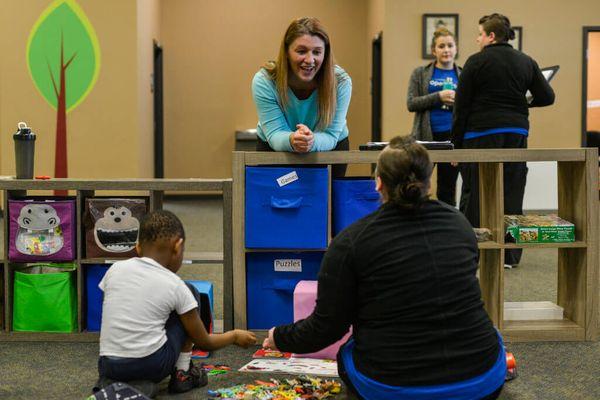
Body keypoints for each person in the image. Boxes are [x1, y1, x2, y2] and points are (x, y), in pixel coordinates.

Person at [262, 136, 506, 400]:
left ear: (378, 182)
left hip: (391, 388)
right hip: (482, 382)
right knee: (491, 332)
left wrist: (279, 336)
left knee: (349, 352)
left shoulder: (351, 240)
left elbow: (327, 328)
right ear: (429, 181)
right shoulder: (460, 225)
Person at [96, 210, 256, 395]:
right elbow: (203, 341)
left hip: (107, 364)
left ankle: (118, 383)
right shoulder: (175, 285)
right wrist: (234, 336)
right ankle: (183, 373)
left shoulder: (115, 270)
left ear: (138, 247)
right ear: (178, 247)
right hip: (150, 364)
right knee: (191, 292)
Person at [452, 13, 555, 268]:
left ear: (490, 36)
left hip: (480, 135)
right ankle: (509, 256)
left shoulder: (475, 62)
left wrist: (456, 145)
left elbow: (461, 107)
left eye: (479, 34)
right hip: (516, 133)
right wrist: (525, 101)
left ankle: (470, 254)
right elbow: (548, 96)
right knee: (512, 192)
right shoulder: (526, 61)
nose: (477, 39)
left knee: (475, 192)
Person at [252, 17, 352, 177]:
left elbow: (331, 135)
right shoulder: (266, 80)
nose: (310, 60)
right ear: (286, 52)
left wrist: (310, 141)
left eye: (317, 52)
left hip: (329, 145)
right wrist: (293, 139)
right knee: (278, 200)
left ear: (325, 54)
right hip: (274, 144)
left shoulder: (340, 81)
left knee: (327, 201)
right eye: (301, 51)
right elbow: (275, 133)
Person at [407, 27, 461, 206]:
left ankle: (445, 226)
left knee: (447, 188)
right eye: (441, 46)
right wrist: (438, 97)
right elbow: (411, 103)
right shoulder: (420, 73)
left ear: (456, 48)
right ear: (433, 50)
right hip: (425, 137)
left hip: (452, 138)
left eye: (450, 45)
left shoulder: (463, 74)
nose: (446, 50)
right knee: (418, 184)